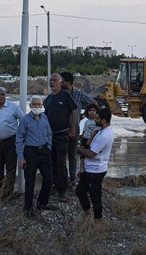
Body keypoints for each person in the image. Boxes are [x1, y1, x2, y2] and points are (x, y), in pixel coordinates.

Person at [16, 96, 54, 217]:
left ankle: (42, 203)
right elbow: (19, 139)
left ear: (42, 106)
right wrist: (21, 157)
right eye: (34, 104)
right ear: (30, 105)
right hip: (30, 152)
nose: (37, 107)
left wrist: (48, 147)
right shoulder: (25, 120)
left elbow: (49, 133)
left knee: (49, 180)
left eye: (39, 104)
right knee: (30, 182)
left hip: (44, 151)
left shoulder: (45, 118)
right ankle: (28, 208)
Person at [44, 73, 77, 202]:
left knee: (61, 163)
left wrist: (73, 129)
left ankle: (63, 191)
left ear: (60, 82)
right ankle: (55, 186)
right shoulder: (48, 99)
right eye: (50, 80)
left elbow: (74, 110)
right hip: (50, 137)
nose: (52, 82)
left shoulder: (66, 95)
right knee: (52, 163)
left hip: (62, 135)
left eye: (54, 80)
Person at [76, 107, 114, 220]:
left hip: (95, 171)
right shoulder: (100, 130)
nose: (95, 120)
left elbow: (91, 153)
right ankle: (88, 214)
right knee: (80, 192)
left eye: (97, 118)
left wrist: (75, 149)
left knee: (95, 197)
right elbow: (89, 145)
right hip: (89, 169)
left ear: (103, 120)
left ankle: (98, 220)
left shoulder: (104, 135)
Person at [60, 71, 97, 185]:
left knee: (72, 154)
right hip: (60, 129)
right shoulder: (58, 94)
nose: (59, 83)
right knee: (60, 156)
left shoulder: (78, 94)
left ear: (67, 82)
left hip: (74, 128)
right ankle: (61, 179)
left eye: (61, 81)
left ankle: (72, 179)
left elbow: (92, 104)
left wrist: (89, 115)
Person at [0, 86, 25, 198]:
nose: (1, 96)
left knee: (10, 168)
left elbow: (23, 120)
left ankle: (8, 193)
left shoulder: (13, 107)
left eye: (2, 94)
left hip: (10, 142)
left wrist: (20, 137)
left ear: (5, 95)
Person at [79, 103, 101, 174]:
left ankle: (91, 166)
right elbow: (84, 131)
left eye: (94, 110)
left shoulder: (97, 122)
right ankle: (81, 166)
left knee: (91, 153)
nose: (92, 112)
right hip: (85, 138)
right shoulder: (86, 122)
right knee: (83, 154)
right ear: (87, 112)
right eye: (90, 110)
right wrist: (81, 139)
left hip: (93, 140)